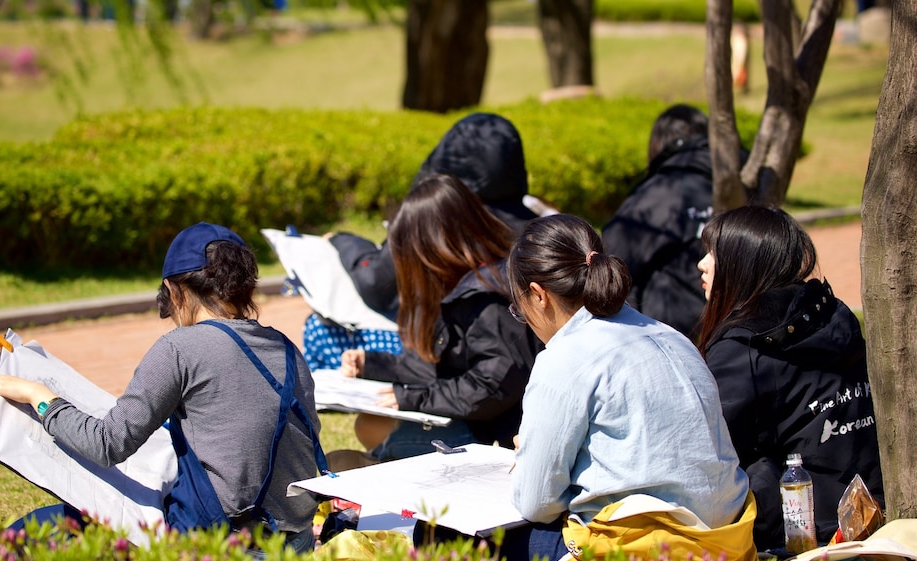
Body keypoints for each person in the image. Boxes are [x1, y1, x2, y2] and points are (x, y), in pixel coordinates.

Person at [0, 222, 323, 552]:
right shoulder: (285, 347)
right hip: (296, 543)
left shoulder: (181, 348)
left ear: (175, 290)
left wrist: (41, 399)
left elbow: (108, 444)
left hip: (221, 549)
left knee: (40, 528)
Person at [501, 213, 755, 561]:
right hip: (726, 548)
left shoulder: (564, 357)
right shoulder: (672, 336)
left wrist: (530, 459)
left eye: (519, 308)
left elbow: (536, 503)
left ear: (539, 296)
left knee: (443, 535)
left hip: (644, 555)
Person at [696, 206, 884, 552]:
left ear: (744, 264)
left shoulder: (744, 347)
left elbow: (709, 450)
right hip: (871, 510)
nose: (702, 264)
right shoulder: (833, 315)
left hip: (803, 535)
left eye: (713, 253)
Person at [301, 112, 547, 371]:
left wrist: (343, 241)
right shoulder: (540, 226)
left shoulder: (439, 217)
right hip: (522, 359)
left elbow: (376, 281)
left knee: (319, 328)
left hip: (448, 356)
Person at [337, 174, 540, 463]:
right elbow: (434, 368)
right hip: (476, 422)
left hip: (498, 437)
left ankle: (376, 467)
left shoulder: (489, 298)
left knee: (368, 445)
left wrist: (414, 399)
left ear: (436, 248)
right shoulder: (457, 287)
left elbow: (491, 387)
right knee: (369, 425)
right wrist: (372, 364)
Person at [601, 104, 716, 338]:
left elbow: (610, 268)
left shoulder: (656, 196)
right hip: (737, 338)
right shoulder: (741, 186)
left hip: (670, 340)